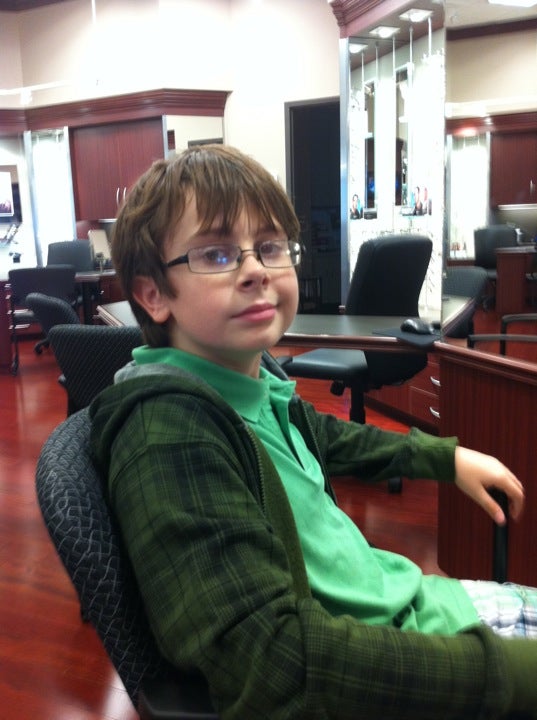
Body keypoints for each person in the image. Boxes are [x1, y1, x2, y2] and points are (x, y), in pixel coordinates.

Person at [89, 144, 537, 719]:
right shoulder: (168, 434)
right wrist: (511, 678)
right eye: (216, 254)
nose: (256, 269)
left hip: (409, 605)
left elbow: (323, 436)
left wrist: (443, 458)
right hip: (393, 654)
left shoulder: (248, 386)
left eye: (270, 246)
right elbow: (274, 664)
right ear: (152, 294)